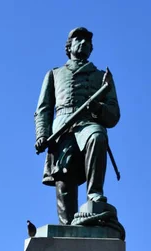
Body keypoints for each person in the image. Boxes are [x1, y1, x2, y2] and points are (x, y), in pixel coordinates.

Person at [34, 27, 120, 225]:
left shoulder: (102, 77)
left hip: (88, 123)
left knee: (98, 136)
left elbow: (114, 114)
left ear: (91, 49)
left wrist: (98, 108)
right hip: (62, 127)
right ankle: (68, 226)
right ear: (69, 46)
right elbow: (43, 108)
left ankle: (95, 194)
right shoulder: (55, 74)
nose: (83, 43)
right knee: (64, 178)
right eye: (78, 39)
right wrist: (41, 134)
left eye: (87, 42)